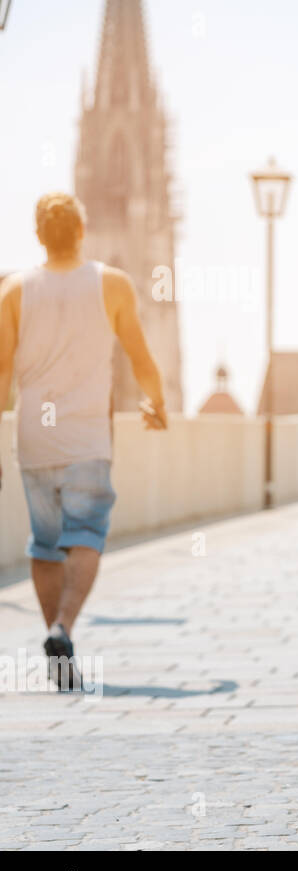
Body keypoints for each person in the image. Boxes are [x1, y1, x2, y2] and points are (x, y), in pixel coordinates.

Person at [0, 193, 168, 689]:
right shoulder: (111, 283)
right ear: (81, 231)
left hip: (34, 438)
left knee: (46, 543)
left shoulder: (13, 291)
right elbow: (140, 356)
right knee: (87, 534)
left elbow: (2, 372)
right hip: (88, 438)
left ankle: (58, 651)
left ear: (38, 235)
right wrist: (156, 404)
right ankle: (62, 627)